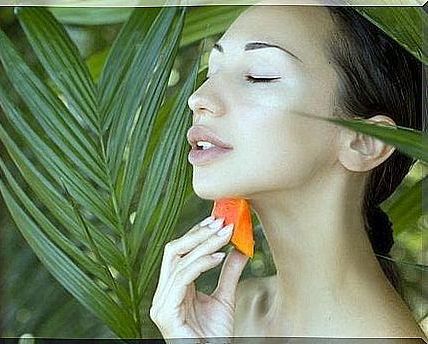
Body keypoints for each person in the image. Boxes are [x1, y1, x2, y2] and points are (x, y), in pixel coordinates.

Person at [149, 4, 427, 340]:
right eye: (213, 71)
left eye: (258, 76)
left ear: (363, 142)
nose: (198, 98)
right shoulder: (230, 315)